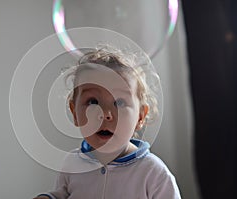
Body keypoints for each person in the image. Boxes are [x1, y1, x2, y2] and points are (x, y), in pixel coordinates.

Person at [34, 45, 181, 199]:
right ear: (74, 112)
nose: (105, 114)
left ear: (140, 117)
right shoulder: (73, 164)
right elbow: (62, 194)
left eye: (119, 103)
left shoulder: (152, 172)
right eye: (92, 102)